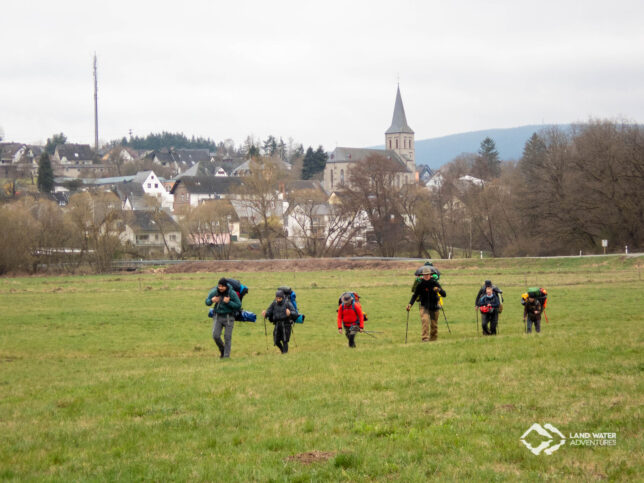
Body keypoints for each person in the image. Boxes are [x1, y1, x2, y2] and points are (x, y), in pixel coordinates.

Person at [407, 267, 447, 342]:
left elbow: (444, 294)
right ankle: (425, 338)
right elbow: (415, 295)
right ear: (422, 275)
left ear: (430, 275)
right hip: (424, 306)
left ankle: (433, 339)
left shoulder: (434, 283)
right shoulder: (420, 284)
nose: (426, 276)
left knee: (434, 325)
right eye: (425, 275)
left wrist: (438, 290)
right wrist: (410, 304)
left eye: (427, 274)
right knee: (425, 321)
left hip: (434, 306)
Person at [205, 278, 241, 358]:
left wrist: (229, 302)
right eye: (219, 286)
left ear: (226, 286)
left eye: (222, 286)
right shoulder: (214, 292)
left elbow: (238, 305)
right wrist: (211, 300)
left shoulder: (232, 293)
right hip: (217, 316)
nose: (220, 288)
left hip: (229, 317)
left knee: (227, 337)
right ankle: (222, 350)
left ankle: (226, 357)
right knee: (215, 335)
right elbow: (206, 302)